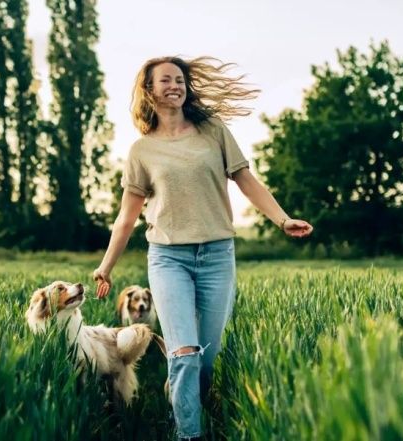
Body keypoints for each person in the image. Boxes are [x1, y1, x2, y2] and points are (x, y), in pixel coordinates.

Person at [93, 56, 313, 440]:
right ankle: (188, 433)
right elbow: (126, 219)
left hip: (216, 255)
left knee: (205, 357)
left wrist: (282, 219)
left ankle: (181, 394)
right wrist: (106, 267)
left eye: (179, 79)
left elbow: (247, 181)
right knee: (184, 353)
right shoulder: (142, 151)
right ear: (149, 90)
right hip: (168, 258)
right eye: (165, 80)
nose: (175, 85)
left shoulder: (213, 132)